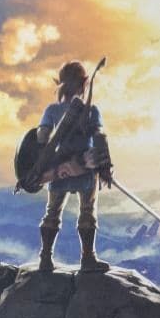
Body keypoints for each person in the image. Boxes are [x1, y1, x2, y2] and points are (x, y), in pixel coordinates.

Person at [36, 61, 111, 273]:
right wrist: (104, 166)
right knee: (87, 212)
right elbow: (99, 137)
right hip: (85, 170)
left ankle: (45, 259)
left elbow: (41, 138)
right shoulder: (91, 110)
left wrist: (42, 164)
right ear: (83, 84)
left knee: (52, 212)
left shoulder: (51, 110)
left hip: (59, 170)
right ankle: (88, 259)